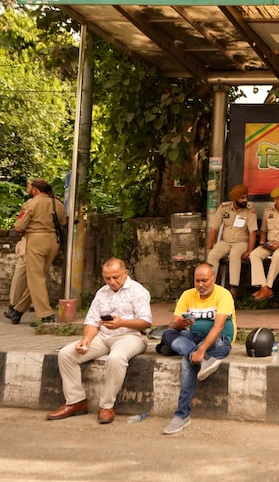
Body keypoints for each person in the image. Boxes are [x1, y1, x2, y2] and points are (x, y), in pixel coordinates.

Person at [45, 258, 152, 424]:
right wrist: (86, 340)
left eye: (116, 277)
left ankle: (106, 406)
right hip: (103, 336)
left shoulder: (138, 291)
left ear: (125, 273)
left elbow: (146, 322)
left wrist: (121, 323)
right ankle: (76, 402)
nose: (112, 282)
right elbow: (92, 321)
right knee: (66, 354)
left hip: (132, 335)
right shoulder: (102, 292)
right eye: (107, 278)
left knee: (116, 358)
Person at [160, 262, 236, 435]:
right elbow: (173, 323)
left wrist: (201, 351)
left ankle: (182, 415)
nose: (200, 285)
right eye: (197, 281)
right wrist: (180, 323)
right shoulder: (187, 295)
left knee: (188, 362)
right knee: (168, 334)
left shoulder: (223, 295)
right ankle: (198, 356)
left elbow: (218, 327)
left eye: (205, 281)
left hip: (219, 341)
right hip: (193, 339)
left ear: (213, 279)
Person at [4, 179, 66, 326]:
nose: (27, 189)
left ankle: (46, 315)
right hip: (54, 241)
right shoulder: (57, 203)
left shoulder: (31, 203)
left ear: (36, 189)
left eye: (29, 187)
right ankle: (18, 311)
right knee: (38, 277)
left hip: (36, 240)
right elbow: (63, 222)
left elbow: (19, 227)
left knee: (36, 278)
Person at [205, 184, 257, 300]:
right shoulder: (224, 208)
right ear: (235, 198)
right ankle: (209, 286)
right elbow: (214, 228)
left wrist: (250, 250)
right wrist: (209, 247)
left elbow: (252, 233)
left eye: (246, 197)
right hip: (226, 241)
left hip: (241, 242)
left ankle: (233, 289)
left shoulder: (249, 211)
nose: (245, 200)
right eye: (242, 198)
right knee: (213, 255)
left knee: (234, 255)